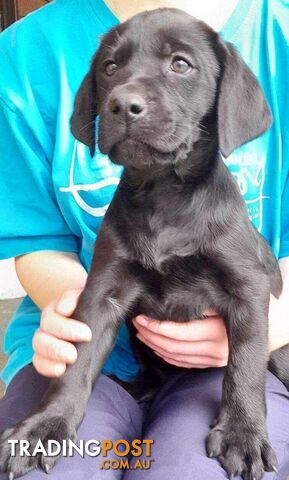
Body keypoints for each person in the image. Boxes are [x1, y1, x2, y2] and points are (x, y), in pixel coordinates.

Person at [0, 0, 289, 478]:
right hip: (91, 358)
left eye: (179, 64)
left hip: (230, 365)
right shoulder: (24, 52)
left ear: (225, 95)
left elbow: (251, 289)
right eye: (113, 69)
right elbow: (41, 244)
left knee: (186, 468)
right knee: (56, 468)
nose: (127, 96)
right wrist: (78, 320)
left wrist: (250, 361)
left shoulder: (276, 34)